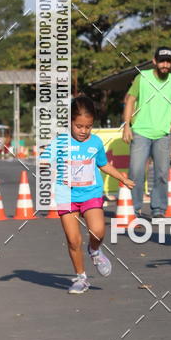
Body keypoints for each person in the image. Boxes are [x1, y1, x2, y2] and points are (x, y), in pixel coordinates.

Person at [43, 95, 135, 294]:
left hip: (90, 193)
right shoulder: (60, 142)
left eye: (88, 126)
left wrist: (122, 178)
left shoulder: (96, 142)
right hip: (66, 196)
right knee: (73, 240)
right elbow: (44, 159)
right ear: (70, 122)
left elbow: (103, 164)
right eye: (79, 126)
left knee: (98, 232)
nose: (84, 131)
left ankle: (94, 250)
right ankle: (81, 278)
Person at [122, 46, 171, 219]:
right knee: (136, 171)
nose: (165, 64)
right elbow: (130, 101)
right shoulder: (142, 77)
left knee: (163, 173)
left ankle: (159, 208)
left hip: (163, 134)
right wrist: (127, 126)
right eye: (162, 61)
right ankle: (133, 208)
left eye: (168, 61)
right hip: (140, 132)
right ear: (155, 61)